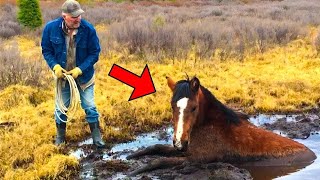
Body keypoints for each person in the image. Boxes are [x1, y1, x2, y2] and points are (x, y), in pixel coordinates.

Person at [41, 0, 105, 148]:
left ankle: (97, 139)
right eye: (74, 17)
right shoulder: (51, 29)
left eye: (79, 16)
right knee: (60, 108)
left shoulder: (88, 29)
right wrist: (55, 66)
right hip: (62, 78)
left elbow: (95, 53)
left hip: (84, 77)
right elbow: (46, 50)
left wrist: (80, 69)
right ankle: (60, 139)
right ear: (64, 16)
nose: (78, 19)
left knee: (89, 106)